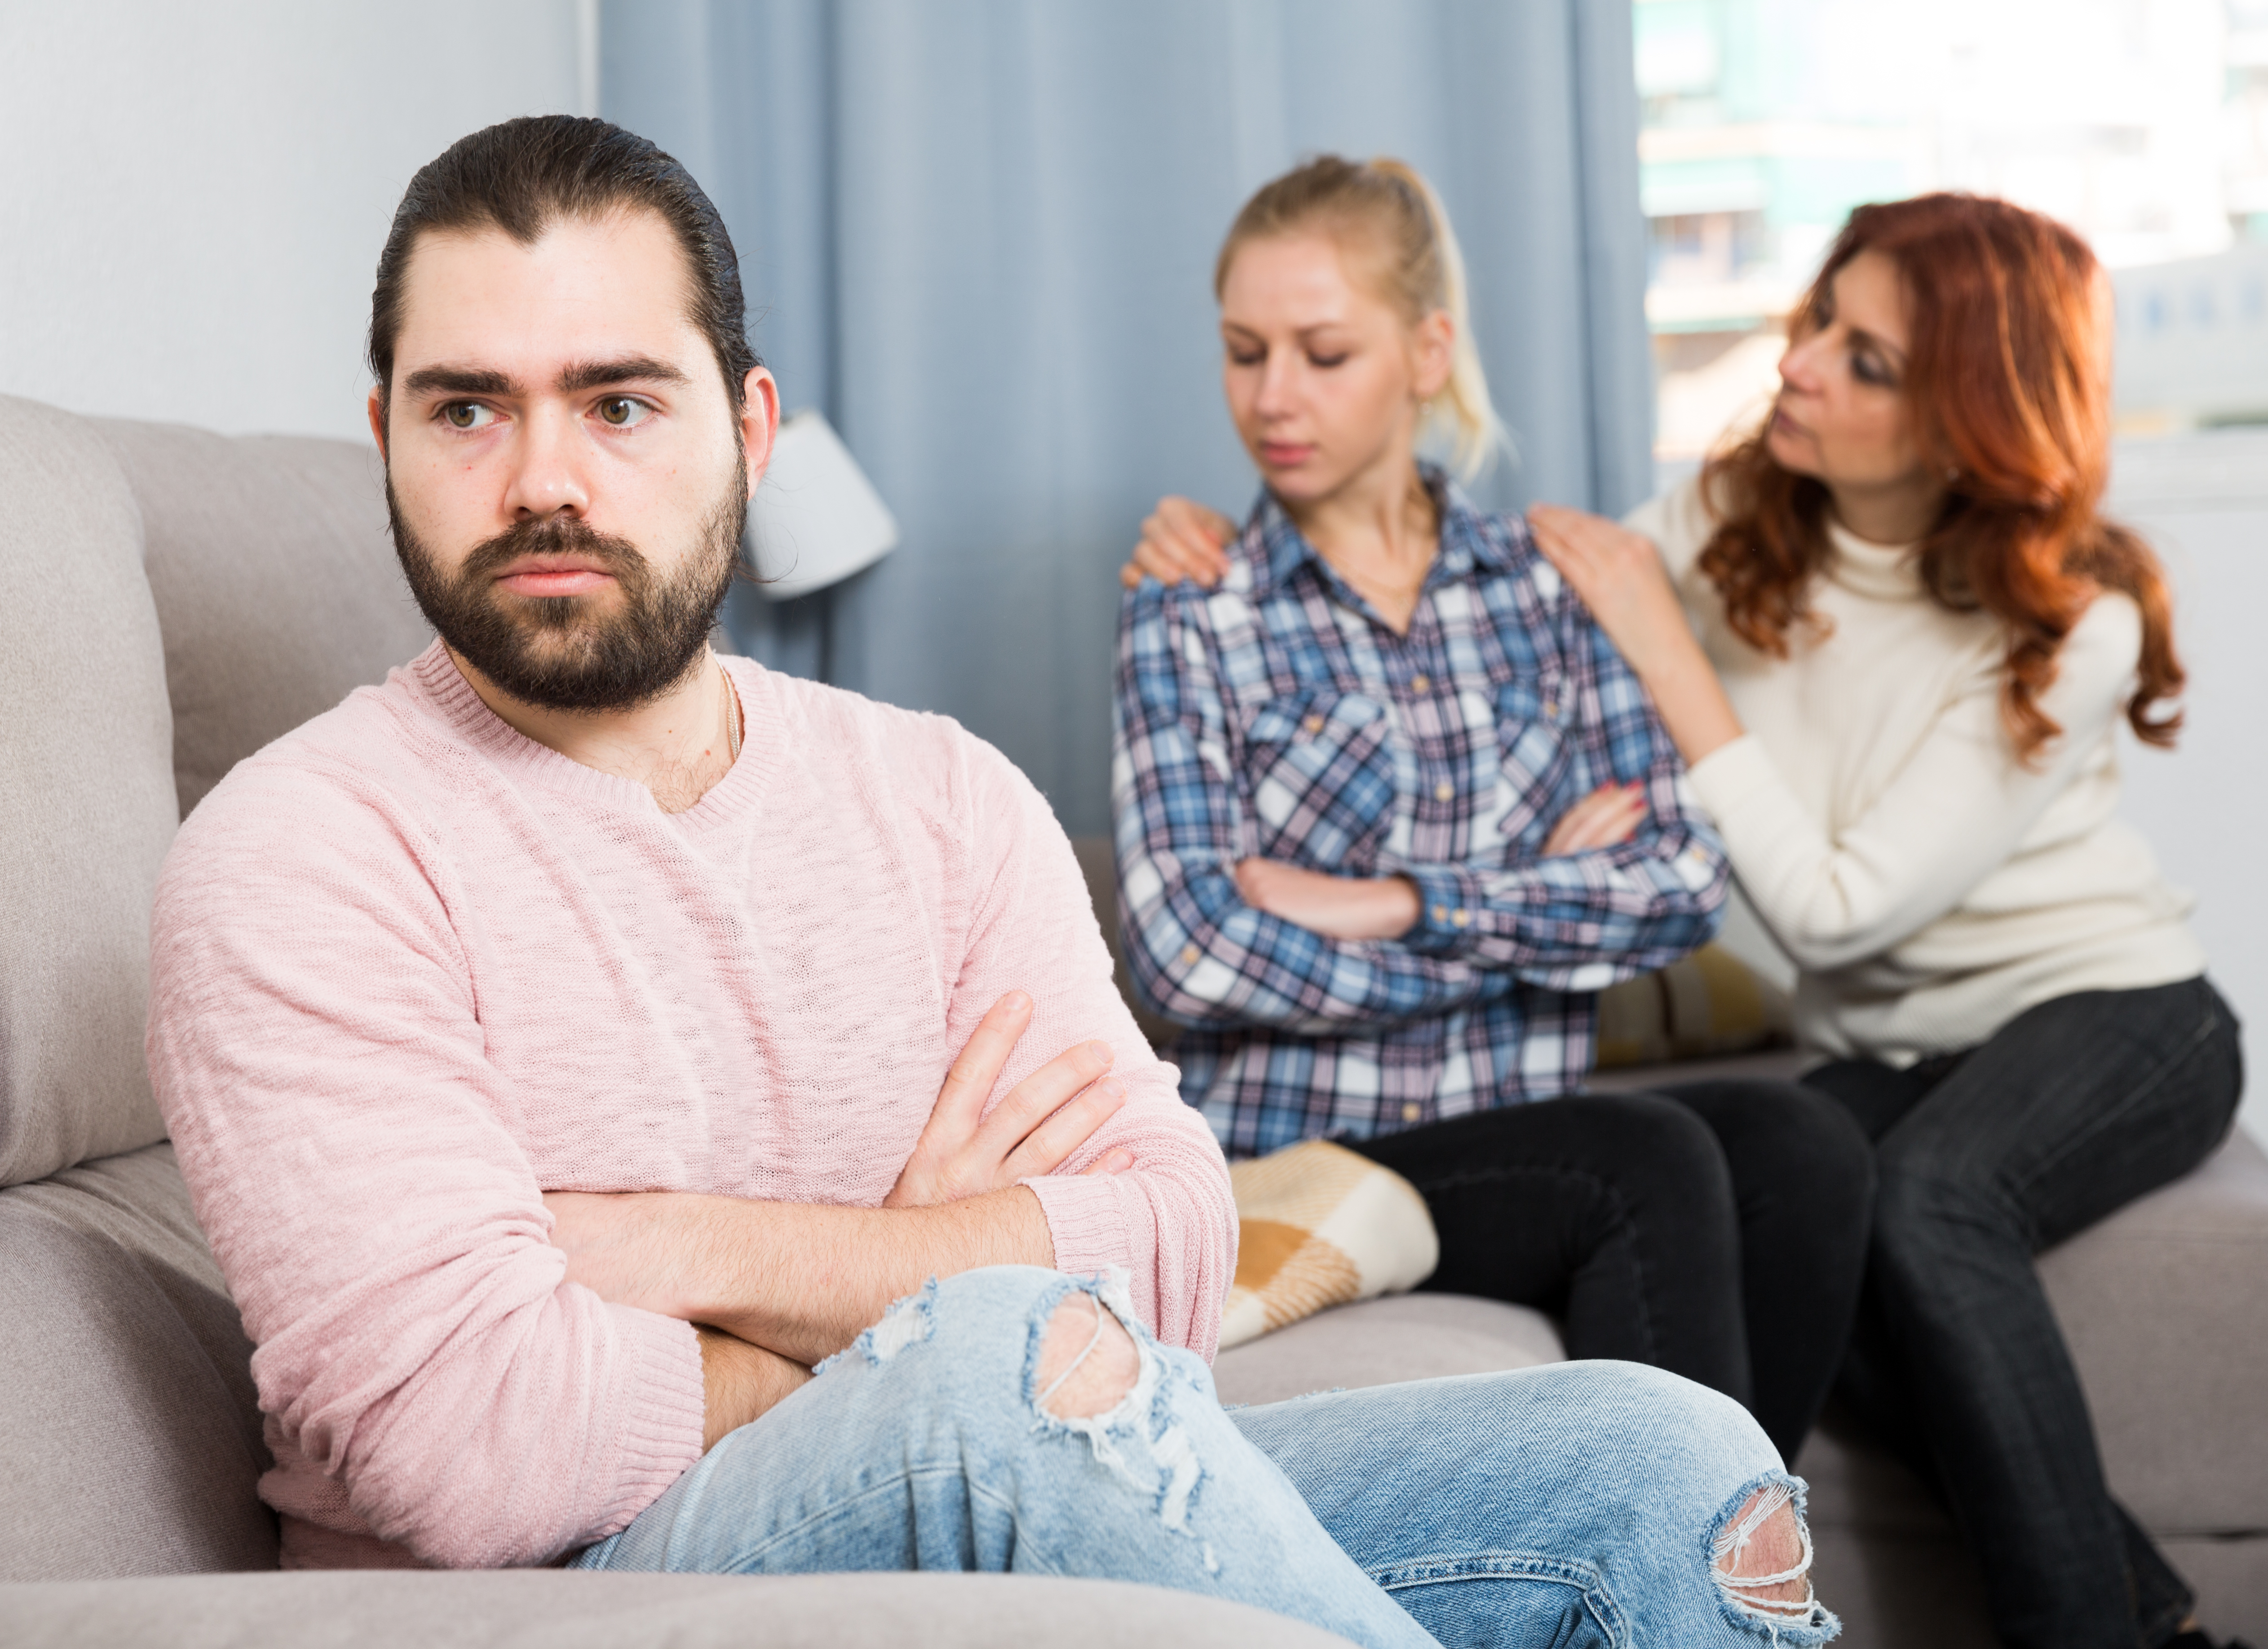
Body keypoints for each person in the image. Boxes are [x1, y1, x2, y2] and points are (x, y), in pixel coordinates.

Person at [144, 116, 1837, 1648]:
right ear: (381, 431)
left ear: (747, 429)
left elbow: (1169, 1264)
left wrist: (667, 1248)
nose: (544, 482)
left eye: (619, 401)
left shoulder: (939, 794)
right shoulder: (302, 854)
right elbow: (472, 1450)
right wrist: (929, 1290)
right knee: (1003, 1365)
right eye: (466, 409)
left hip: (988, 1458)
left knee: (1661, 1453)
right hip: (564, 1590)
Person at [1137, 187, 2244, 1649]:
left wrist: (1410, 897)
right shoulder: (1717, 522)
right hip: (1875, 1046)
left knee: (1906, 1196)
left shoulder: (2065, 619)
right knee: (1799, 1164)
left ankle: (2051, 1628)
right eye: (1816, 326)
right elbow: (1200, 943)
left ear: (1964, 414)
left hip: (2105, 1005)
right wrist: (1537, 895)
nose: (1795, 367)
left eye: (1863, 361)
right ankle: (1738, 1595)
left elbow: (1719, 894)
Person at [1111, 154, 1874, 1469]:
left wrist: (1402, 905)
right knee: (1641, 1159)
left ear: (1425, 351)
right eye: (1243, 353)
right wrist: (1525, 926)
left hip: (1517, 1130)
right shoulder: (1194, 606)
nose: (1270, 398)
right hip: (1307, 1154)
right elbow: (1189, 950)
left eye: (1321, 352)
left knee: (1805, 1142)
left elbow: (1679, 887)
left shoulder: (1553, 585)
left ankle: (1732, 1573)